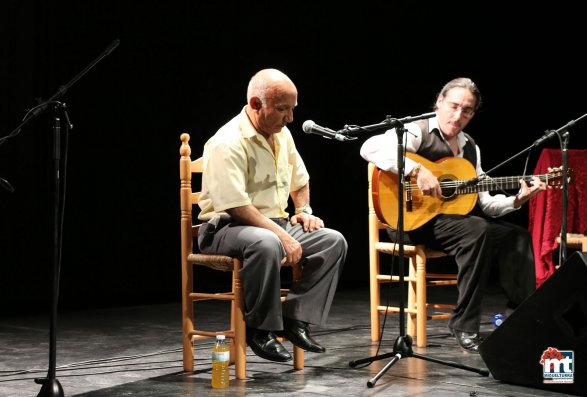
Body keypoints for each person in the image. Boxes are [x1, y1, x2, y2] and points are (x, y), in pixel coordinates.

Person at [360, 77, 547, 352]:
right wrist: (416, 170)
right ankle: (464, 325)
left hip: (451, 226)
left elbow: (486, 202)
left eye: (467, 111)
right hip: (409, 222)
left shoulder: (470, 148)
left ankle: (520, 318)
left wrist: (518, 200)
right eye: (453, 106)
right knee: (478, 229)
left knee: (514, 236)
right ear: (439, 102)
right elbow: (369, 147)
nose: (458, 116)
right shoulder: (417, 130)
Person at [197, 68, 347, 362]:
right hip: (225, 228)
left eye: (293, 109)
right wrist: (282, 236)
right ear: (256, 104)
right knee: (266, 243)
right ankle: (260, 329)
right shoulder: (226, 142)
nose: (290, 118)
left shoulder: (283, 135)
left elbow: (300, 179)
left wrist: (303, 211)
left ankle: (296, 319)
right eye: (283, 109)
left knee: (333, 241)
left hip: (272, 225)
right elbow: (236, 206)